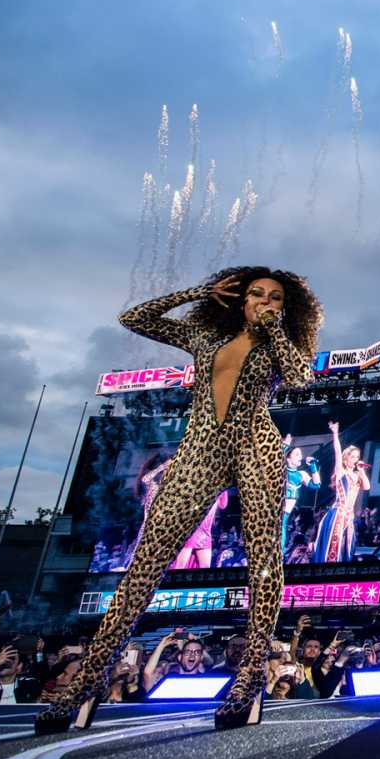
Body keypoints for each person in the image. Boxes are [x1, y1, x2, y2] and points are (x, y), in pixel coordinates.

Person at [36, 267, 323, 734]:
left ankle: (250, 673)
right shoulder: (205, 336)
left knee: (264, 562)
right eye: (256, 294)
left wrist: (275, 331)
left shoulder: (278, 343)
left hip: (258, 446)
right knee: (144, 566)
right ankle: (86, 680)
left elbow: (300, 378)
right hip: (200, 451)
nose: (266, 302)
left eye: (275, 298)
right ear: (238, 298)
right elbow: (136, 317)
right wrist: (199, 292)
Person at [313, 422, 371, 562]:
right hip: (338, 514)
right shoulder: (341, 472)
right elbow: (338, 452)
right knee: (333, 547)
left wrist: (362, 471)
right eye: (352, 457)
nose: (355, 460)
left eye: (357, 457)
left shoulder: (357, 476)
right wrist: (335, 433)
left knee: (346, 547)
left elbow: (367, 487)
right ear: (346, 460)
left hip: (349, 516)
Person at [281, 434, 321, 553]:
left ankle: (280, 554)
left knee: (281, 527)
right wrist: (285, 445)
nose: (301, 456)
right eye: (297, 454)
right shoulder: (281, 470)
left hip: (285, 513)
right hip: (272, 509)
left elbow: (316, 485)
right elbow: (276, 459)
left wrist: (313, 466)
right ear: (288, 458)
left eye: (301, 454)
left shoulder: (301, 474)